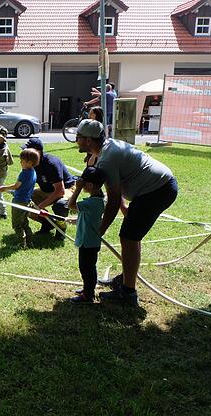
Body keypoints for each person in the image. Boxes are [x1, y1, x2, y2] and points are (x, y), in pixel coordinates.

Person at [74, 119, 178, 305]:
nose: (76, 140)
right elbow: (118, 182)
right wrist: (125, 209)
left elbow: (112, 200)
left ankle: (128, 293)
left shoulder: (106, 158)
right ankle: (125, 280)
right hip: (155, 187)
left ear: (89, 140)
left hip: (157, 190)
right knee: (131, 235)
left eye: (78, 137)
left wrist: (99, 230)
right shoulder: (105, 150)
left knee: (129, 237)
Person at [20, 138, 75, 240]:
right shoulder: (30, 163)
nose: (24, 153)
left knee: (60, 205)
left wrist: (40, 206)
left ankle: (61, 229)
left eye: (27, 150)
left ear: (38, 152)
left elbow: (60, 191)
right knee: (24, 200)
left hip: (66, 189)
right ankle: (49, 224)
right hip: (46, 190)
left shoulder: (51, 163)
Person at [67, 166, 106, 303]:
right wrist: (76, 219)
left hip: (88, 242)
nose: (81, 185)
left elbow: (71, 205)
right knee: (88, 268)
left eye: (83, 183)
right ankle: (87, 289)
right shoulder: (98, 200)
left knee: (87, 269)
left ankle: (88, 295)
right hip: (89, 241)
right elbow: (90, 217)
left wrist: (77, 189)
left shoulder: (92, 202)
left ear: (89, 185)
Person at [0, 148, 40, 249]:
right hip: (27, 201)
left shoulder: (24, 173)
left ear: (29, 162)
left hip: (19, 202)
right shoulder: (33, 172)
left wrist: (3, 188)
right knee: (25, 223)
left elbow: (17, 186)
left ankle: (22, 244)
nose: (20, 162)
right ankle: (30, 242)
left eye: (22, 160)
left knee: (17, 224)